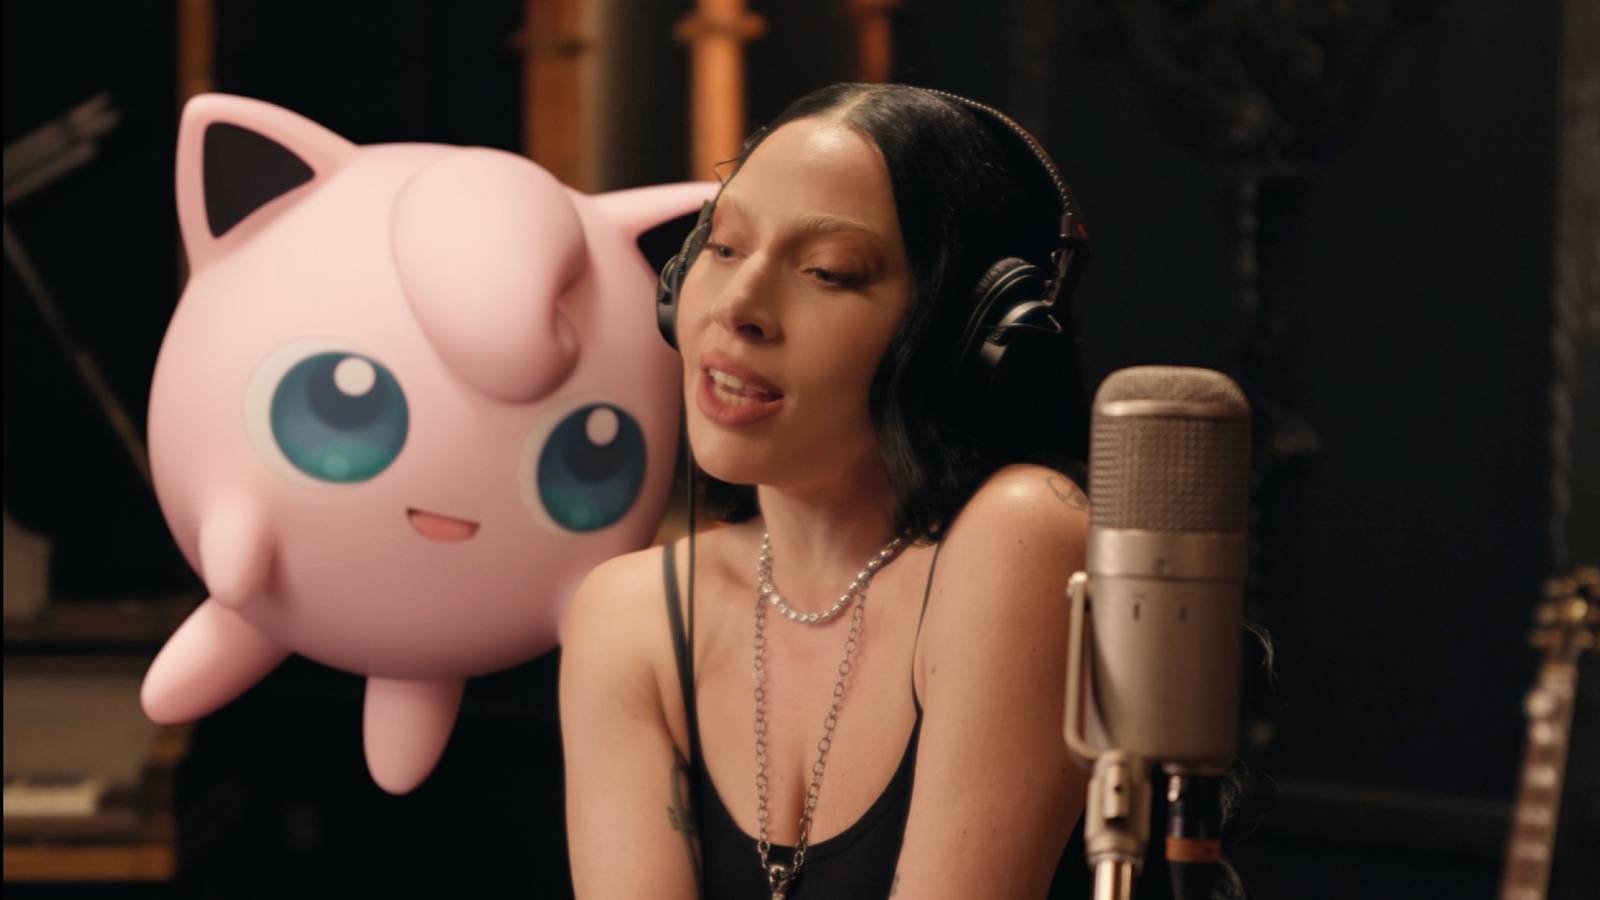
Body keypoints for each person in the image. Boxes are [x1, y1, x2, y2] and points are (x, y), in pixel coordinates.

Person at [560, 82, 1095, 899]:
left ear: (970, 334)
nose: (738, 307)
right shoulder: (629, 615)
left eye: (828, 272)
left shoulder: (1022, 535)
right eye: (724, 248)